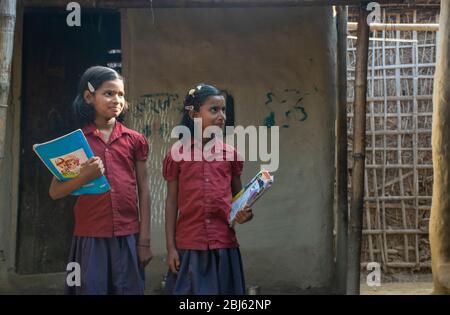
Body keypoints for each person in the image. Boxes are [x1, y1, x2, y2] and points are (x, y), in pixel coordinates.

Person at [49, 66, 152, 294]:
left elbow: (144, 191)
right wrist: (84, 177)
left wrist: (144, 242)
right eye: (108, 93)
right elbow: (55, 192)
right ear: (88, 97)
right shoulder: (75, 143)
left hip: (128, 236)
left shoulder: (135, 140)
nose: (116, 99)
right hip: (90, 237)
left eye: (121, 94)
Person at [163, 83, 253, 295]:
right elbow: (171, 202)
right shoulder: (177, 154)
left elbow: (240, 203)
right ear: (194, 114)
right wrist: (171, 248)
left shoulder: (230, 155)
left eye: (223, 110)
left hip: (223, 245)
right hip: (189, 246)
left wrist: (244, 215)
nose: (221, 115)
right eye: (214, 110)